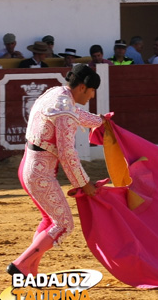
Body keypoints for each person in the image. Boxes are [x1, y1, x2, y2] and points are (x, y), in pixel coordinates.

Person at [6, 63, 105, 277]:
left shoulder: (56, 93)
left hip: (28, 166)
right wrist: (83, 183)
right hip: (40, 173)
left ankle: (30, 269)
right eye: (91, 91)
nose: (92, 96)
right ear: (82, 87)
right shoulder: (64, 111)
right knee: (63, 224)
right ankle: (20, 265)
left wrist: (99, 121)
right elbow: (67, 153)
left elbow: (75, 113)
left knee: (50, 221)